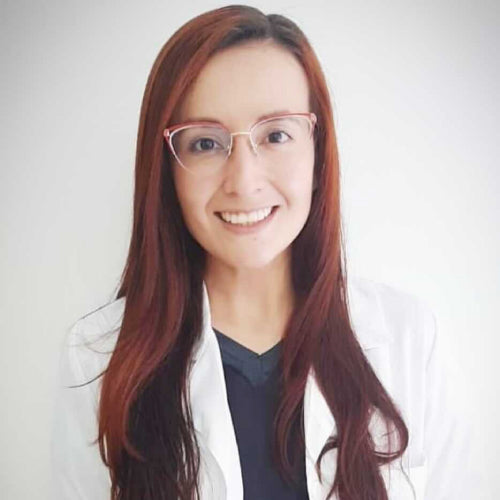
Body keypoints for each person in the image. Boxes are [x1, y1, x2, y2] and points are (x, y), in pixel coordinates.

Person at [50, 5, 470, 499]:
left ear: (317, 151)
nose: (244, 181)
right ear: (166, 169)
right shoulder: (98, 357)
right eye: (205, 143)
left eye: (275, 135)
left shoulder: (408, 338)